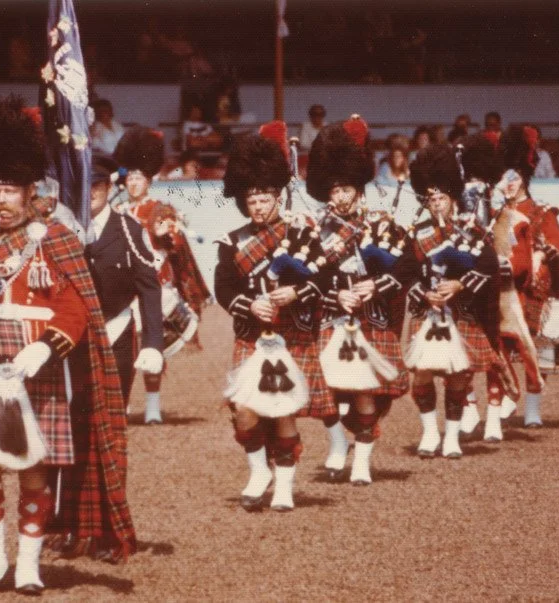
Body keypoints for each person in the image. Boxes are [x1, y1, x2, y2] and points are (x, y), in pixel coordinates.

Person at [0, 95, 135, 592]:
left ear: (30, 190)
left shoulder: (53, 237)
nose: (1, 200)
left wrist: (47, 347)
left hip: (38, 367)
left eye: (10, 190)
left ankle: (29, 565)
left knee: (33, 471)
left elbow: (77, 307)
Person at [215, 124, 321, 510]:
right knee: (243, 410)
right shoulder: (232, 242)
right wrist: (249, 304)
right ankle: (260, 471)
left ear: (278, 197)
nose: (258, 207)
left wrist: (295, 292)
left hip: (290, 333)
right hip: (251, 335)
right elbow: (224, 288)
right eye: (252, 200)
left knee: (283, 412)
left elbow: (322, 279)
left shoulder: (301, 235)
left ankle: (285, 487)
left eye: (264, 199)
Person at [306, 116, 409, 484]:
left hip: (370, 314)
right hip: (331, 312)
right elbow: (305, 273)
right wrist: (336, 293)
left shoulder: (380, 222)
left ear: (359, 188)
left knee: (365, 391)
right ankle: (337, 441)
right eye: (334, 191)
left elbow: (407, 267)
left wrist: (376, 286)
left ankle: (362, 462)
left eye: (346, 188)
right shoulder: (314, 227)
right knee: (325, 388)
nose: (340, 196)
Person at [400, 144, 504, 459]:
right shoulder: (416, 234)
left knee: (459, 376)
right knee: (422, 372)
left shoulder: (472, 231)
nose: (436, 204)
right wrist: (423, 293)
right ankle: (430, 432)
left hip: (461, 311)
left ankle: (452, 437)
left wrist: (460, 284)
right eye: (431, 199)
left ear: (453, 198)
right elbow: (405, 272)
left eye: (441, 198)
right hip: (427, 312)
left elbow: (489, 267)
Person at [114, 126, 211, 424]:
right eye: (130, 179)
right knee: (123, 349)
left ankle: (153, 407)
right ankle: (121, 404)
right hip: (122, 289)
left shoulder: (161, 209)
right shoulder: (116, 210)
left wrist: (166, 234)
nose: (134, 183)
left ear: (149, 181)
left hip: (154, 286)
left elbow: (177, 245)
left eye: (139, 179)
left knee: (151, 346)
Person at [499, 125, 559, 426]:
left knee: (538, 347)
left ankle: (533, 406)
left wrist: (539, 255)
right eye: (504, 178)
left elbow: (556, 246)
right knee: (499, 342)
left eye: (513, 178)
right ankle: (507, 393)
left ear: (524, 179)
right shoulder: (495, 214)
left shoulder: (542, 211)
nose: (508, 184)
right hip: (504, 287)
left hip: (534, 286)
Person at [455, 133, 529, 441]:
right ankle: (474, 408)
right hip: (468, 272)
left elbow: (504, 234)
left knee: (489, 344)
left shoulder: (493, 196)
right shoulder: (461, 192)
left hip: (489, 273)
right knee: (466, 344)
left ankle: (490, 413)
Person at [85, 155, 165, 405]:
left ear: (109, 187)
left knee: (115, 409)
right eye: (84, 185)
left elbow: (149, 289)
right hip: (76, 333)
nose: (90, 193)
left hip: (117, 329)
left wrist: (153, 344)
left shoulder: (130, 230)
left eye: (96, 186)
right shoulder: (66, 229)